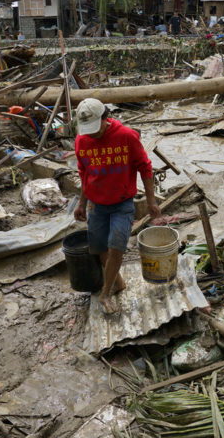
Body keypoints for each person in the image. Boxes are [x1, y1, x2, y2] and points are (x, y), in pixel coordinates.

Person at [73, 99, 161, 314]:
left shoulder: (127, 136)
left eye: (95, 128)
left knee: (117, 246)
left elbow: (145, 168)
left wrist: (151, 200)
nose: (91, 134)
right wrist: (81, 203)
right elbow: (84, 174)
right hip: (96, 205)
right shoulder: (81, 141)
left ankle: (105, 292)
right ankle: (118, 282)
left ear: (105, 118)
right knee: (100, 248)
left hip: (122, 203)